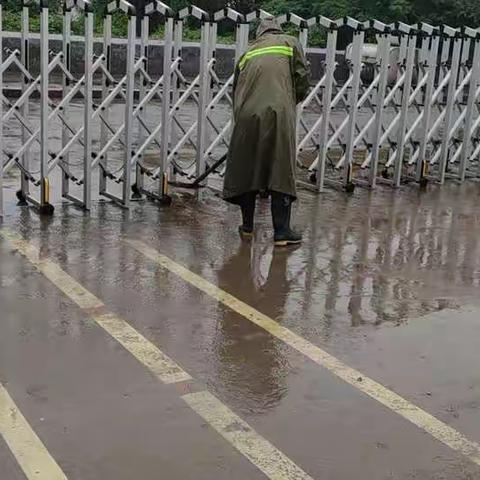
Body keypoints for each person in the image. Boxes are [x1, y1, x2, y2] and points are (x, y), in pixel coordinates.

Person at [223, 18, 311, 247]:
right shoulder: (290, 43)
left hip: (245, 115)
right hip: (277, 112)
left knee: (247, 170)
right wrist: (291, 101)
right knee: (279, 167)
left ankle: (247, 227)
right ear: (278, 29)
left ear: (259, 33)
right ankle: (282, 231)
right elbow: (302, 78)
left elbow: (235, 90)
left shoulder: (248, 52)